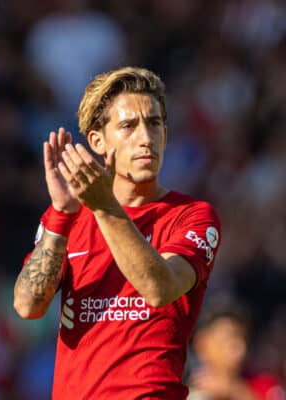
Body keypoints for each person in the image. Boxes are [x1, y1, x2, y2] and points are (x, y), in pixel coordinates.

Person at [13, 66, 221, 399]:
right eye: (128, 126)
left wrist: (103, 206)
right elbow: (28, 305)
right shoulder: (69, 218)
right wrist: (62, 214)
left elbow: (159, 288)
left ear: (165, 134)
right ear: (98, 141)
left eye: (154, 124)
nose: (145, 138)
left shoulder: (192, 216)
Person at [188, 299, 285, 400]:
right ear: (201, 343)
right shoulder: (183, 388)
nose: (241, 347)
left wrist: (235, 391)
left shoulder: (264, 385)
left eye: (244, 339)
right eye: (229, 339)